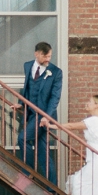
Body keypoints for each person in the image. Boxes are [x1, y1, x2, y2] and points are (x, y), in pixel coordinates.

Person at [16, 41, 62, 184]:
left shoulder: (56, 72)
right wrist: (21, 104)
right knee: (43, 151)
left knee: (22, 139)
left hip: (43, 116)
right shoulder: (28, 66)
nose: (48, 59)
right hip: (31, 114)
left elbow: (55, 98)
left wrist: (46, 117)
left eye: (50, 56)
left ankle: (29, 172)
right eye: (45, 56)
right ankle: (52, 188)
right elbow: (27, 88)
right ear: (37, 54)